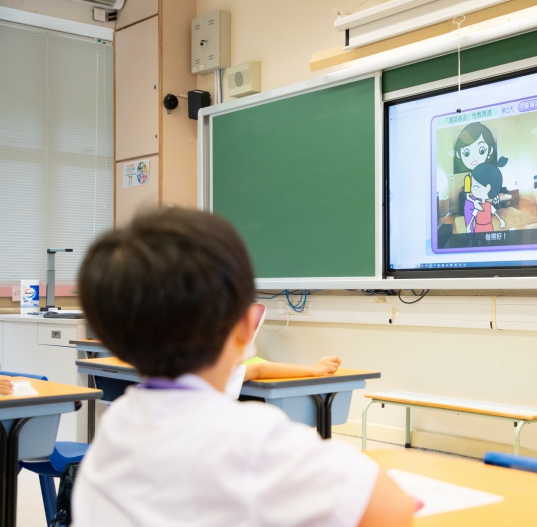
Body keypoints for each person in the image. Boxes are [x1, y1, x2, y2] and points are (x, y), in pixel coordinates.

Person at [72, 208, 413, 527]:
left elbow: (257, 371)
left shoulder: (115, 427)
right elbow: (393, 508)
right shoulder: (253, 441)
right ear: (247, 325)